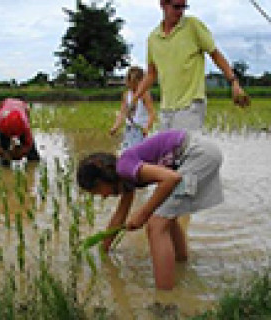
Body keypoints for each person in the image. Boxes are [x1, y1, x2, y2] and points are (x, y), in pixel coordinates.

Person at [77, 130, 223, 290]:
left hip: (196, 155)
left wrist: (144, 213)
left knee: (156, 224)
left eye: (98, 191)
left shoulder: (125, 166)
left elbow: (171, 178)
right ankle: (181, 263)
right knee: (167, 217)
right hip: (200, 153)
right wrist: (103, 250)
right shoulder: (126, 179)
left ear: (102, 177)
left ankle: (164, 299)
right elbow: (119, 216)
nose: (103, 196)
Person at [129, 0, 250, 130]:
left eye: (184, 7)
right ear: (163, 5)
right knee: (167, 150)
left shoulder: (193, 26)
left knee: (185, 147)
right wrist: (135, 99)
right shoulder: (153, 38)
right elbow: (152, 73)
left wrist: (234, 82)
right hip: (167, 108)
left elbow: (215, 54)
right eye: (176, 7)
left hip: (191, 105)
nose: (181, 11)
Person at [0, 97, 40, 166]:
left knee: (32, 155)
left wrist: (20, 153)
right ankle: (5, 165)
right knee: (4, 149)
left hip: (21, 107)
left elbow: (28, 144)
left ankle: (33, 163)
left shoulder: (25, 126)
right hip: (5, 105)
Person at [110, 66, 155, 149]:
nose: (130, 84)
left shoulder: (145, 94)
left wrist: (147, 128)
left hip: (141, 129)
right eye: (129, 81)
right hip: (129, 129)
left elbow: (152, 113)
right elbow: (122, 112)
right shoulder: (127, 94)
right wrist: (115, 127)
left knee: (138, 153)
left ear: (140, 81)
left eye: (134, 82)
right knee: (127, 151)